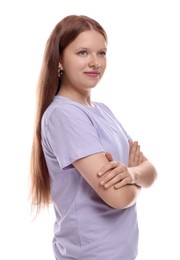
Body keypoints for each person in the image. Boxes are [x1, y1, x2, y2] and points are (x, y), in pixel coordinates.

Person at [30, 15, 157, 260]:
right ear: (60, 60)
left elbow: (151, 171)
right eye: (82, 53)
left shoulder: (102, 111)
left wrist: (131, 174)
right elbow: (118, 198)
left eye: (101, 53)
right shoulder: (64, 115)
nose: (95, 62)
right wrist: (137, 177)